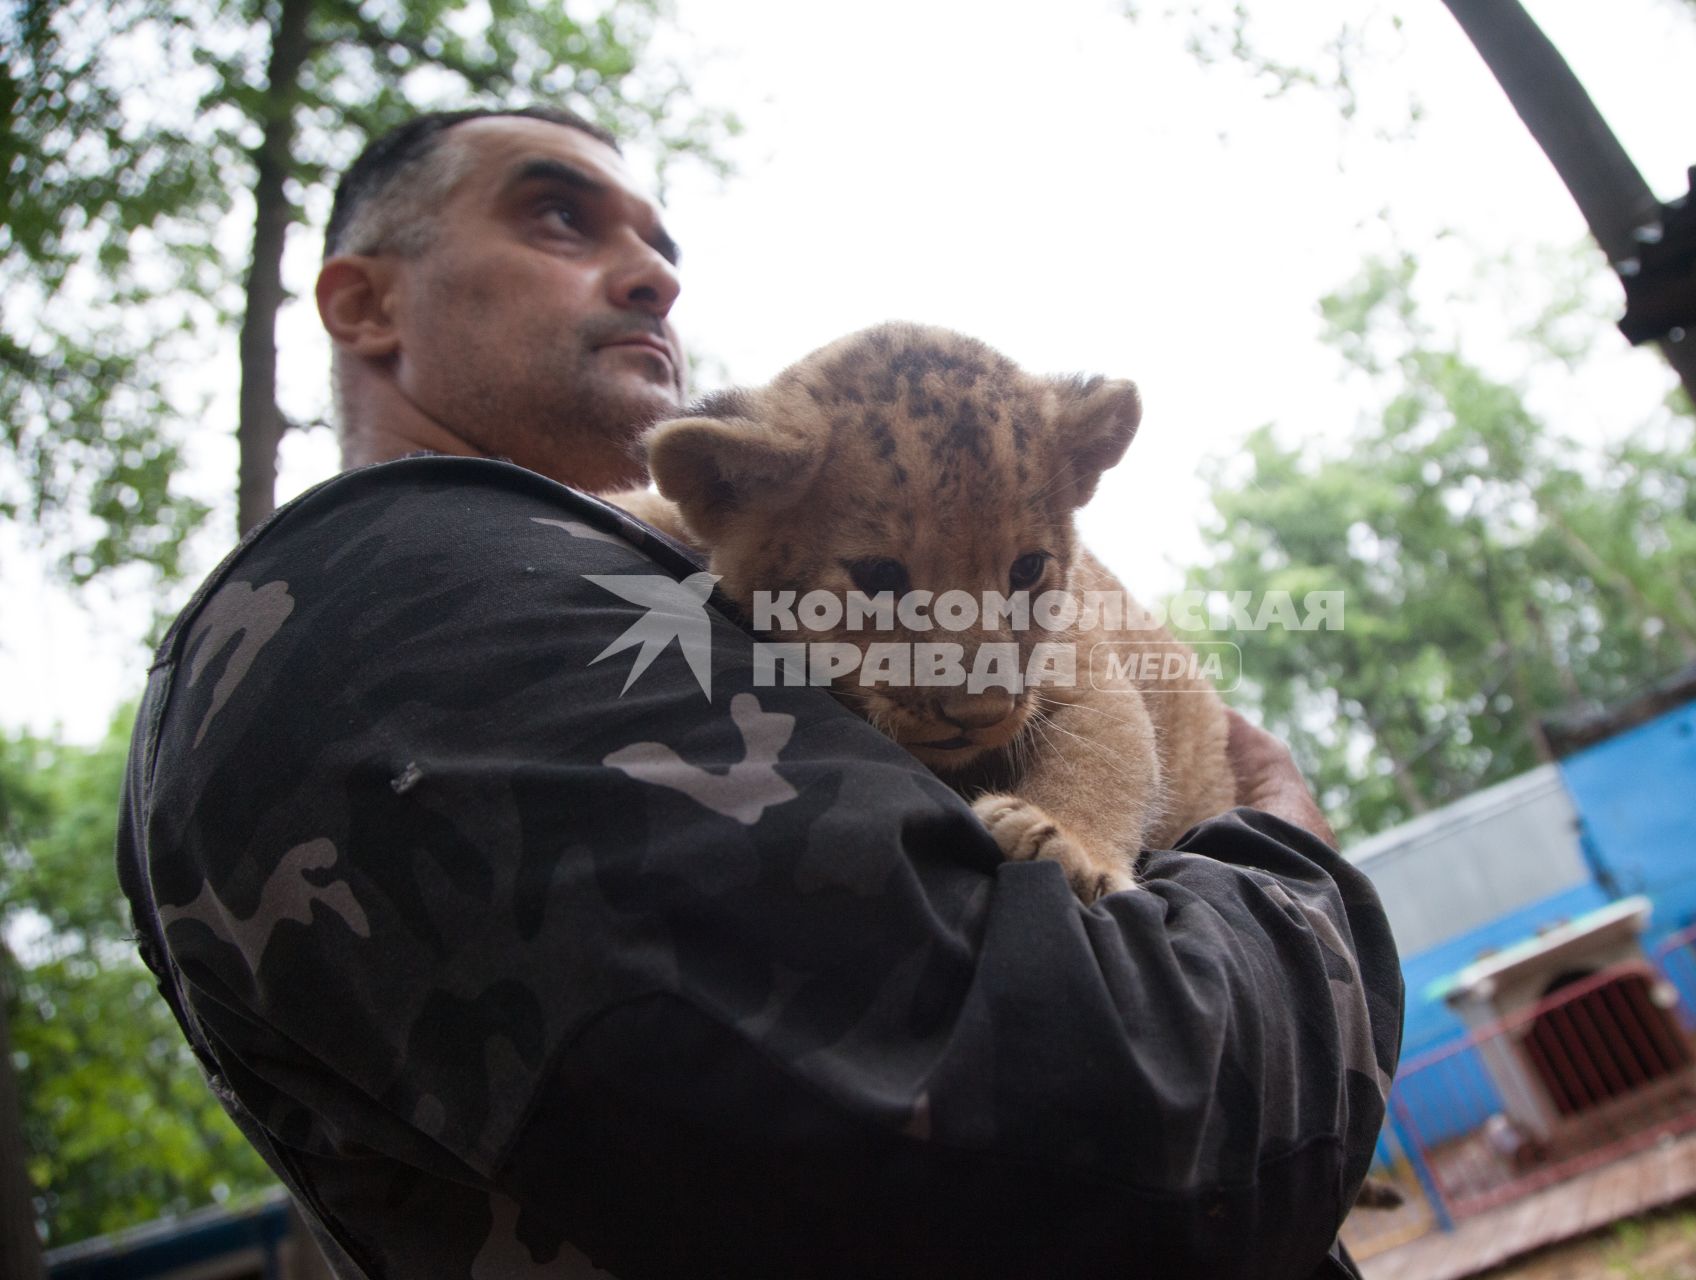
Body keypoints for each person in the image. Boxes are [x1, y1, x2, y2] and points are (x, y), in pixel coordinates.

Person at [117, 106, 1402, 1279]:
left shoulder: (613, 564)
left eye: (661, 241)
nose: (652, 272)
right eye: (556, 213)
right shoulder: (401, 612)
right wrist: (1286, 856)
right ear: (363, 303)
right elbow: (1133, 1141)